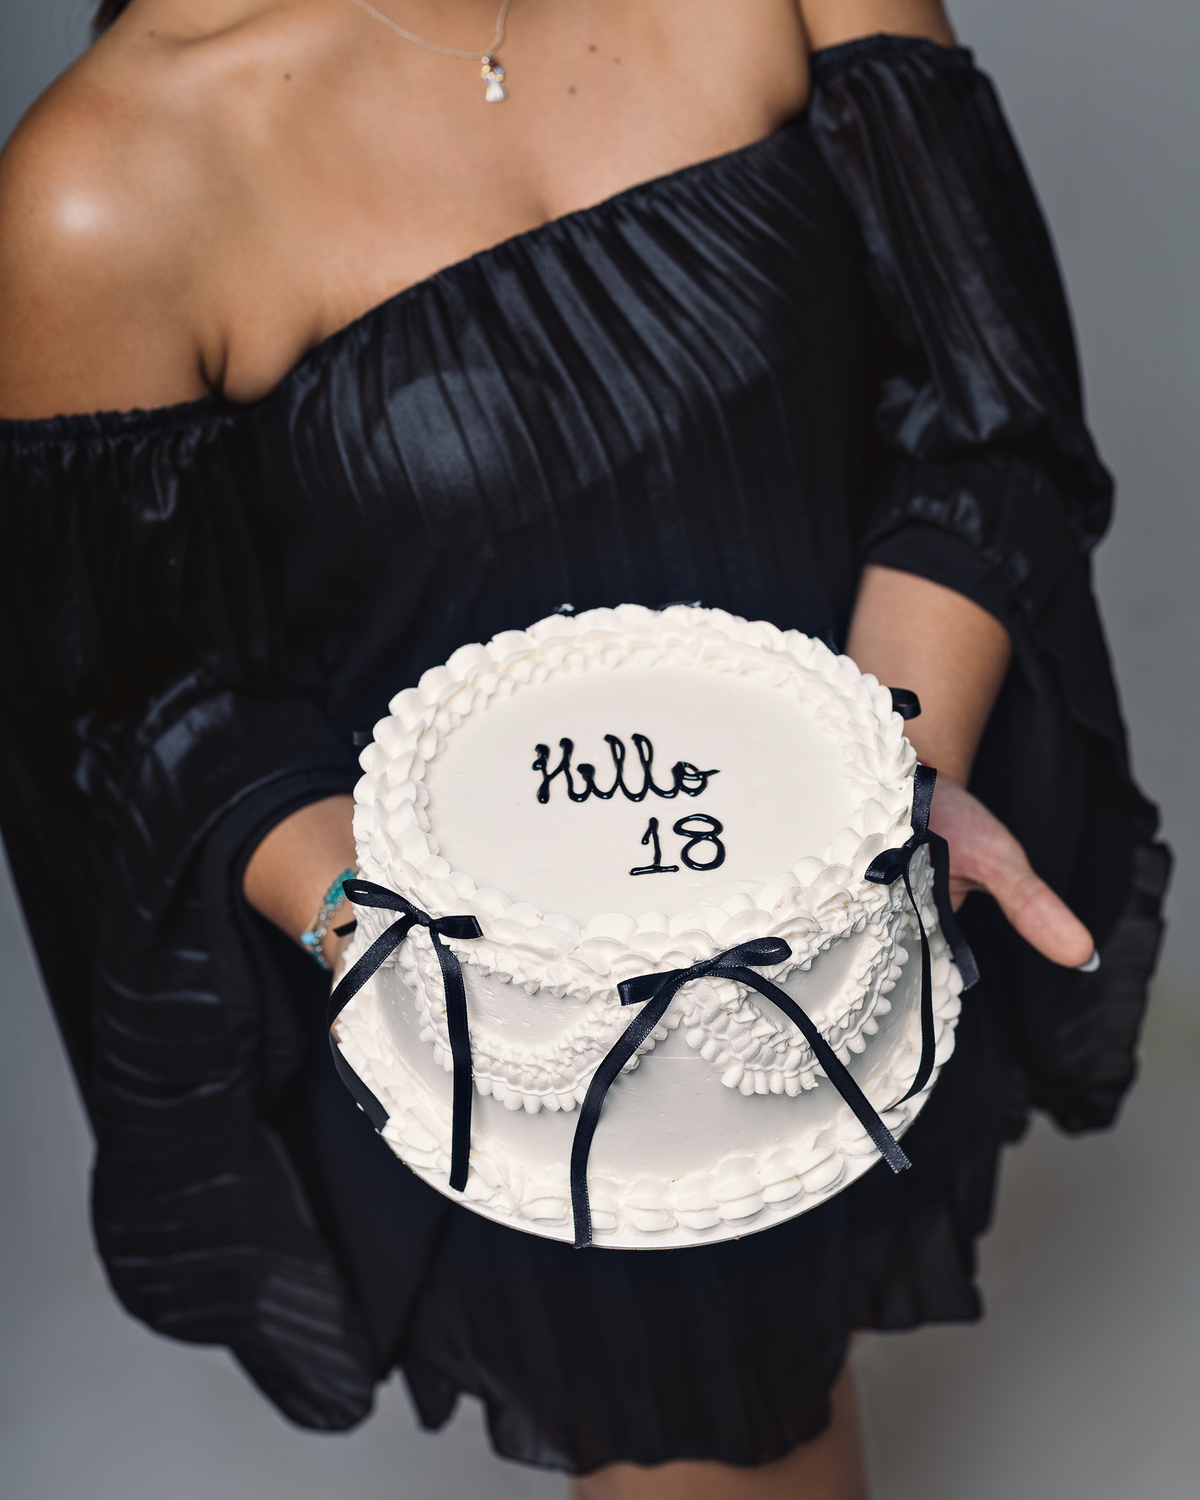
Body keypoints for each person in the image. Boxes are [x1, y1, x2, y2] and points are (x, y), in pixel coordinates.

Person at [0, 0, 1168, 1495]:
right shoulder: (104, 188)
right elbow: (139, 707)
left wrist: (870, 805)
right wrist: (444, 980)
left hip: (849, 919)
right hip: (538, 1046)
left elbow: (978, 409)